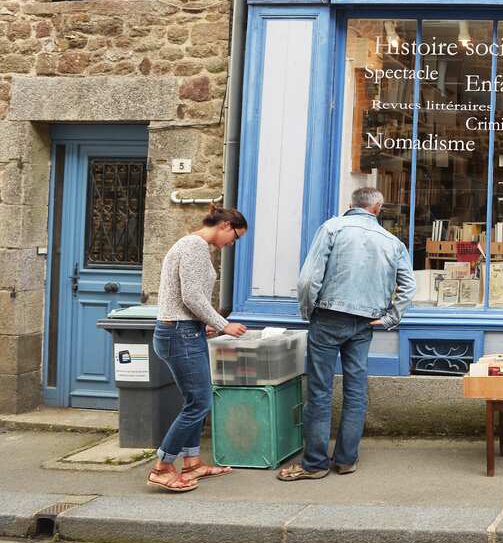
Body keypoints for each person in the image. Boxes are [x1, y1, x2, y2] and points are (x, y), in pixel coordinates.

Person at [278, 187, 415, 481]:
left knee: (320, 390)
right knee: (355, 390)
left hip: (328, 316)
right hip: (366, 321)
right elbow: (409, 286)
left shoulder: (333, 227)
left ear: (350, 204)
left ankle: (314, 464)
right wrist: (391, 317)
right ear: (378, 209)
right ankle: (346, 459)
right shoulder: (392, 242)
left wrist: (307, 312)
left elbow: (308, 279)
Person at [148, 207, 249, 492]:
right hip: (179, 334)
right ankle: (163, 467)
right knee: (199, 403)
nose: (232, 244)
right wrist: (222, 324)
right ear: (226, 225)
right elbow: (191, 295)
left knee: (197, 400)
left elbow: (188, 297)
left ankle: (192, 463)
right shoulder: (194, 245)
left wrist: (205, 322)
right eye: (235, 237)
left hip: (185, 330)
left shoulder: (195, 245)